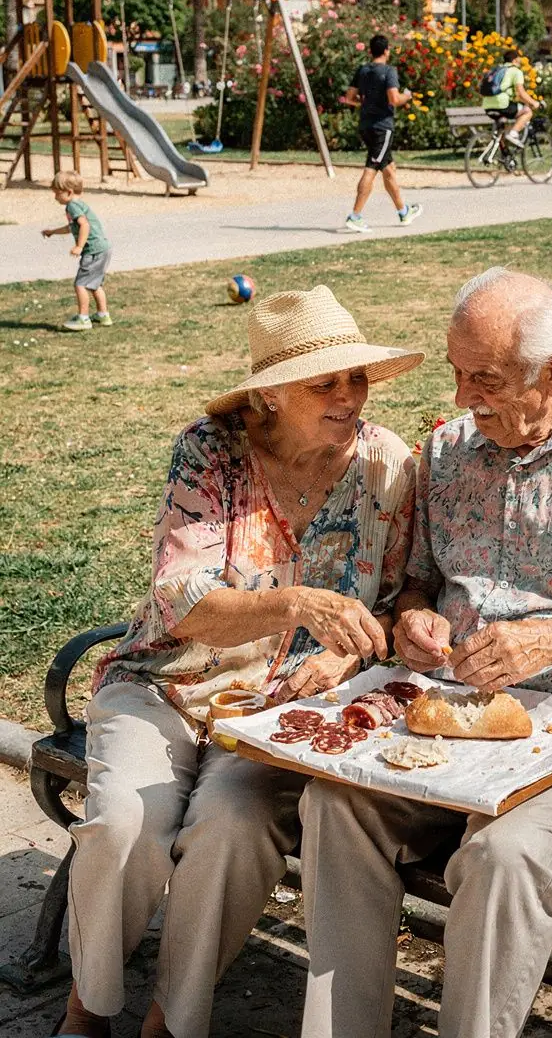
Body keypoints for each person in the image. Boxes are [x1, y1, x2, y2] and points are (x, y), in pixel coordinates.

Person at [297, 268, 552, 1038]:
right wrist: (415, 623)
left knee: (503, 857)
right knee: (336, 803)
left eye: (483, 379)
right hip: (452, 713)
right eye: (457, 374)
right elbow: (417, 586)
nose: (462, 399)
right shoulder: (450, 452)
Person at [57, 286, 423, 1038]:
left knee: (232, 823)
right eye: (325, 381)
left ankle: (171, 1021)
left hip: (284, 712)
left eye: (355, 376)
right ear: (269, 396)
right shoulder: (211, 453)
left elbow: (392, 601)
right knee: (128, 820)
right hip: (166, 684)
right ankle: (86, 1009)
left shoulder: (388, 465)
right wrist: (298, 604)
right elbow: (181, 603)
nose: (349, 394)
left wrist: (347, 657)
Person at [343, 34, 422, 233]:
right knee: (372, 166)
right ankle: (355, 216)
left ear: (371, 51)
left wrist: (366, 104)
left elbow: (349, 98)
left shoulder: (363, 70)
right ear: (386, 51)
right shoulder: (389, 71)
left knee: (388, 168)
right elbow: (394, 99)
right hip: (382, 127)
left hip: (365, 125)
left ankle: (403, 212)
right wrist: (407, 96)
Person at [41, 171, 113, 332]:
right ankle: (103, 315)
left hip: (93, 250)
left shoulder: (72, 206)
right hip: (103, 249)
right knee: (95, 284)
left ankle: (83, 318)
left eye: (57, 193)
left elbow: (84, 225)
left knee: (80, 284)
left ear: (69, 192)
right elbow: (72, 227)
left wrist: (79, 246)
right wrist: (52, 231)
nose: (55, 197)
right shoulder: (79, 205)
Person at [481, 45, 541, 146]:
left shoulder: (497, 69)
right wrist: (534, 103)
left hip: (487, 106)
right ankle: (513, 133)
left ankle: (504, 157)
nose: (520, 61)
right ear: (515, 59)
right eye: (519, 59)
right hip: (502, 105)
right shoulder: (515, 71)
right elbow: (521, 93)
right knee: (527, 112)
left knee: (502, 131)